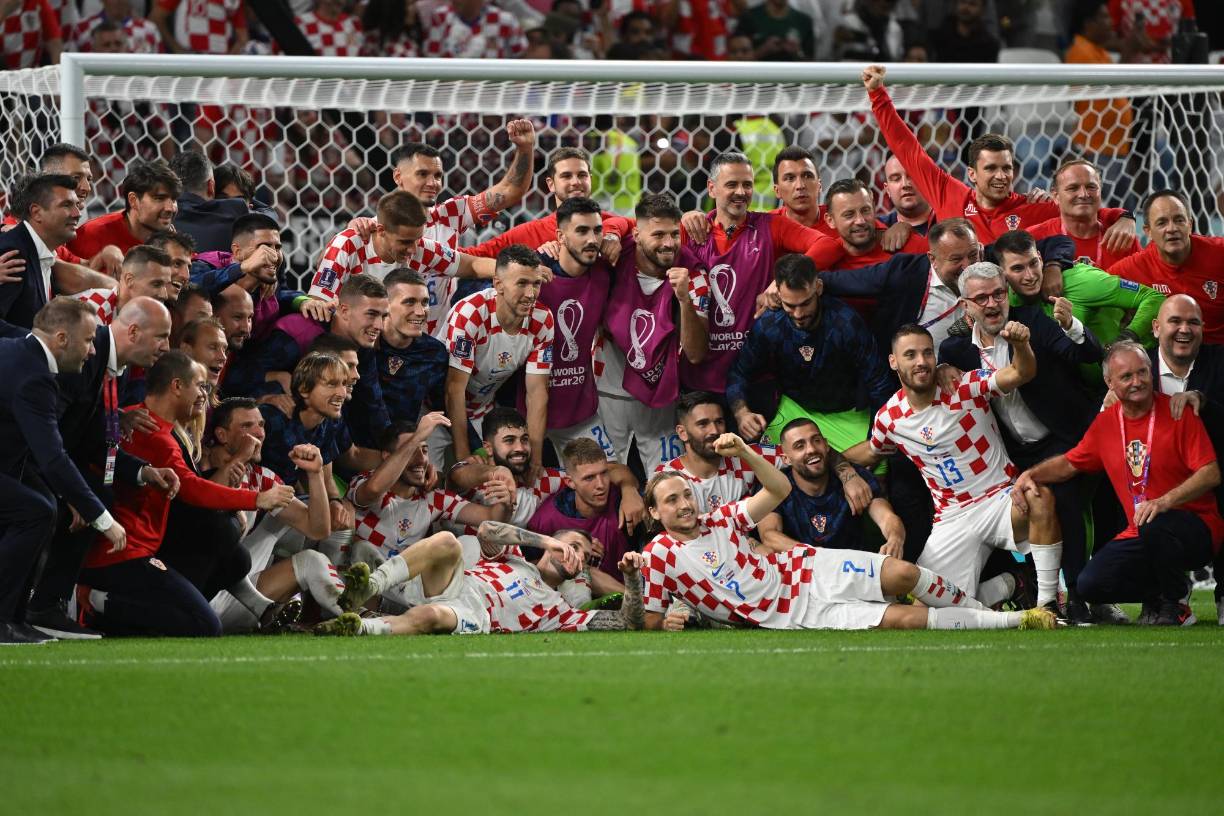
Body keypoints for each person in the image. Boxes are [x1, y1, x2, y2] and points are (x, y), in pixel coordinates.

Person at [640, 432, 1054, 631]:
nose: (684, 504)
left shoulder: (721, 518)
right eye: (672, 501)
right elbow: (651, 619)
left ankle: (988, 611)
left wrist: (746, 452)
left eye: (686, 495)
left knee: (903, 574)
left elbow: (778, 488)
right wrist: (666, 620)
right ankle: (1019, 621)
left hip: (807, 569)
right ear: (655, 513)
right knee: (908, 619)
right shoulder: (657, 554)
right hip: (795, 614)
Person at [843, 323, 1064, 608]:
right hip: (952, 516)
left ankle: (1047, 606)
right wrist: (833, 460)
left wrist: (1021, 345)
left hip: (999, 498)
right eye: (910, 355)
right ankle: (1012, 583)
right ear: (893, 361)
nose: (921, 362)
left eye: (927, 353)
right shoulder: (890, 418)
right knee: (925, 612)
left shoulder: (964, 385)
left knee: (1039, 498)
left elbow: (1020, 372)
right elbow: (872, 452)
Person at [76, 352, 295, 638]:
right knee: (204, 623)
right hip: (122, 554)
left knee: (234, 557)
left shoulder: (136, 419)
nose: (205, 395)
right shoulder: (156, 436)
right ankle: (102, 604)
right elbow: (191, 488)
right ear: (177, 386)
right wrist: (256, 499)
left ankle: (150, 609)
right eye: (200, 386)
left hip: (125, 546)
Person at [1015, 341, 1223, 626]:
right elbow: (1070, 463)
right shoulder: (1106, 424)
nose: (1137, 382)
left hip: (1196, 528)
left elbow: (1210, 473)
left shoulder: (1178, 411)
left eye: (1142, 373)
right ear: (1109, 382)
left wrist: (1163, 502)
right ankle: (1163, 590)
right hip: (1142, 531)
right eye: (1126, 377)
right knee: (1091, 585)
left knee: (1154, 523)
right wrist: (1030, 475)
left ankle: (1175, 605)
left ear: (1151, 373)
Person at [940, 261, 1104, 621]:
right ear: (965, 306)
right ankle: (1026, 587)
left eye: (998, 293)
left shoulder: (1033, 321)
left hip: (1062, 437)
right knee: (1011, 509)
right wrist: (940, 370)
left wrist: (1071, 325)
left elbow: (1087, 354)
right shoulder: (955, 352)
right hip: (1009, 453)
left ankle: (1076, 596)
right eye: (980, 297)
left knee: (1063, 498)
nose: (992, 303)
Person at [25, 297, 177, 639]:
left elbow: (92, 438)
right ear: (134, 331)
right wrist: (66, 494)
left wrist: (142, 471)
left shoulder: (114, 370)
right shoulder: (83, 359)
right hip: (22, 459)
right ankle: (33, 606)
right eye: (161, 336)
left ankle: (45, 605)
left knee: (100, 495)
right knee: (47, 509)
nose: (166, 347)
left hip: (48, 458)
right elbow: (47, 437)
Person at [862, 64, 1136, 246]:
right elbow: (907, 149)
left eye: (1006, 168)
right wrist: (878, 95)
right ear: (971, 174)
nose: (1001, 176)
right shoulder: (950, 195)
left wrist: (1125, 217)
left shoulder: (1033, 208)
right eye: (991, 168)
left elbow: (1085, 209)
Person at [0, 299, 127, 645]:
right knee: (35, 511)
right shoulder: (35, 378)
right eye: (88, 341)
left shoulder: (16, 347)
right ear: (60, 338)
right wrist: (102, 518)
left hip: (11, 465)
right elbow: (53, 457)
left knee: (44, 507)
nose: (91, 352)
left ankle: (14, 617)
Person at [314, 525, 645, 637]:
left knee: (430, 617)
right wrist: (547, 542)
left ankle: (354, 627)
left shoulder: (561, 611)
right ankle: (368, 587)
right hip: (456, 583)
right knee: (446, 540)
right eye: (574, 545)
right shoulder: (515, 555)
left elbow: (626, 622)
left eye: (584, 557)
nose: (578, 556)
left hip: (477, 614)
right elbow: (487, 529)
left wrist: (631, 580)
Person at [680, 151, 824, 396]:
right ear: (711, 188)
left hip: (756, 378)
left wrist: (781, 283)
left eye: (747, 184)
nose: (741, 192)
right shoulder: (691, 232)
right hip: (700, 381)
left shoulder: (769, 226)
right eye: (732, 184)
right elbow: (640, 230)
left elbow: (826, 244)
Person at [728, 253, 894, 451]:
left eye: (805, 303)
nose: (798, 314)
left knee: (876, 465)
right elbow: (738, 372)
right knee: (764, 463)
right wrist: (742, 413)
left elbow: (879, 384)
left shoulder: (846, 323)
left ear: (819, 288)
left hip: (849, 414)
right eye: (790, 305)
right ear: (778, 295)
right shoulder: (769, 325)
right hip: (794, 410)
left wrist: (874, 439)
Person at [387, 122, 536, 334]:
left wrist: (525, 149)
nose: (433, 183)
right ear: (398, 177)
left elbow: (510, 191)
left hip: (438, 341)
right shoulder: (377, 228)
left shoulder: (450, 214)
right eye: (422, 174)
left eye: (437, 176)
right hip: (390, 339)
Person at [598, 193, 709, 474]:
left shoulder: (692, 272)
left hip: (662, 398)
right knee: (605, 482)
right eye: (658, 234)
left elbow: (696, 353)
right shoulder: (611, 259)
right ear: (636, 234)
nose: (669, 243)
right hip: (607, 393)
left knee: (670, 482)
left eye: (674, 234)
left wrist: (684, 300)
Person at [1145, 294, 1224, 624]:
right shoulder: (1137, 368)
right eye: (1175, 321)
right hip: (1152, 483)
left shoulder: (1219, 362)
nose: (1184, 330)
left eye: (1192, 322)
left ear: (1204, 329)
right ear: (1156, 327)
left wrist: (1203, 403)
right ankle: (1164, 598)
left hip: (1214, 479)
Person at [347, 416, 512, 565]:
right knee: (361, 548)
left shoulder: (433, 499)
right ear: (387, 456)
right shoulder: (364, 481)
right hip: (362, 580)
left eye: (424, 450)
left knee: (470, 544)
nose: (421, 459)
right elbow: (373, 490)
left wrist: (506, 502)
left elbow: (492, 517)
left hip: (403, 586)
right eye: (411, 450)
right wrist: (418, 435)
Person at [445, 244, 553, 471]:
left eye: (536, 284)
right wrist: (464, 456)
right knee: (443, 482)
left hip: (481, 413)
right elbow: (453, 389)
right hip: (438, 410)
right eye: (522, 284)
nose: (531, 294)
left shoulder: (543, 320)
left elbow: (537, 393)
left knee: (500, 484)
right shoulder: (471, 314)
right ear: (498, 284)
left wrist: (535, 460)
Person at [534, 197, 616, 459]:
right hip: (527, 411)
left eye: (597, 230)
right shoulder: (534, 273)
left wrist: (616, 234)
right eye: (581, 231)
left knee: (606, 479)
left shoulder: (605, 273)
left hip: (581, 411)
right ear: (560, 235)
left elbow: (645, 228)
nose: (592, 239)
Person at [995, 228, 1162, 354]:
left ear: (1040, 258)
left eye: (1033, 263)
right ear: (1003, 273)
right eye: (1018, 269)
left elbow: (1154, 297)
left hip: (1135, 372)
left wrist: (1128, 337)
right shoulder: (1005, 300)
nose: (1030, 276)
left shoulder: (1081, 280)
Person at [758, 418, 905, 558]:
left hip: (853, 570)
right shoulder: (775, 485)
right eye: (799, 446)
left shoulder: (855, 476)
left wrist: (895, 538)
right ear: (786, 459)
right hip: (802, 573)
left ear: (826, 445)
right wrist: (816, 555)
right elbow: (769, 535)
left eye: (816, 440)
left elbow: (887, 517)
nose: (811, 449)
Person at [307, 190, 484, 303]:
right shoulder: (347, 244)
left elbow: (472, 265)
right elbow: (318, 302)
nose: (413, 249)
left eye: (417, 239)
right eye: (405, 242)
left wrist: (508, 271)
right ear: (382, 230)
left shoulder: (421, 248)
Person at [461, 147, 631, 263]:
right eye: (566, 176)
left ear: (590, 180)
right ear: (550, 184)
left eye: (582, 175)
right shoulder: (530, 232)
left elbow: (642, 225)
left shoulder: (608, 221)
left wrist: (612, 234)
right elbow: (474, 256)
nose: (576, 182)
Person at [1109, 190, 1224, 344]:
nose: (1172, 228)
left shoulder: (1219, 253)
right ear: (1148, 232)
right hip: (1164, 356)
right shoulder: (1132, 269)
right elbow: (1097, 291)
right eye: (1162, 223)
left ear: (1189, 225)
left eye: (1179, 220)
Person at [528, 438, 645, 580]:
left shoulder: (623, 503)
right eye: (589, 478)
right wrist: (567, 554)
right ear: (570, 482)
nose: (601, 484)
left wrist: (629, 489)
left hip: (630, 591)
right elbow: (529, 568)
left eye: (604, 473)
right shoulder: (545, 520)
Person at [0, 174, 96, 334]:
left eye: (77, 205)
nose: (77, 213)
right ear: (36, 212)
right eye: (66, 205)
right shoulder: (13, 254)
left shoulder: (40, 250)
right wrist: (42, 342)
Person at [376, 269, 448, 455]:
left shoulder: (434, 353)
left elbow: (444, 406)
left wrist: (475, 448)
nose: (420, 311)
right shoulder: (364, 343)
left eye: (425, 302)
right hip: (357, 450)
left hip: (404, 451)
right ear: (385, 305)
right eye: (409, 302)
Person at [1028, 159, 1141, 271]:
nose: (1084, 194)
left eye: (1091, 187)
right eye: (1073, 188)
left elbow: (1145, 286)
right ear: (1056, 196)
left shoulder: (1123, 237)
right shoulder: (1033, 238)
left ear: (1100, 192)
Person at [67, 158, 182, 259]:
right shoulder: (89, 237)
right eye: (159, 198)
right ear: (133, 200)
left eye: (174, 199)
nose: (170, 208)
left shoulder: (174, 244)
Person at [805, 178, 929, 271]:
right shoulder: (826, 257)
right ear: (830, 221)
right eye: (849, 214)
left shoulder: (907, 245)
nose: (860, 221)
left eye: (865, 210)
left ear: (874, 209)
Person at [169, 151, 254, 254]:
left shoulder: (158, 221)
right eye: (223, 198)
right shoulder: (237, 216)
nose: (228, 203)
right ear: (211, 186)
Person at [75, 245, 174, 325]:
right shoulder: (91, 310)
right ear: (129, 280)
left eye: (166, 285)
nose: (164, 295)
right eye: (156, 284)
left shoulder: (146, 315)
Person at [880, 154, 935, 235]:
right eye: (896, 179)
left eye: (912, 176)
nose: (905, 184)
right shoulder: (878, 230)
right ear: (887, 190)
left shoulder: (948, 221)